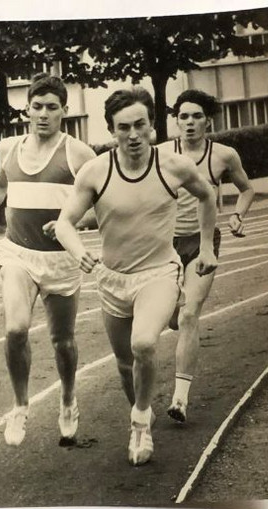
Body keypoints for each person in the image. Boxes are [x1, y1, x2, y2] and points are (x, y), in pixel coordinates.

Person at [55, 86, 217, 467]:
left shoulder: (172, 166)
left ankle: (140, 423)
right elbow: (65, 222)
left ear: (151, 127)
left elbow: (207, 195)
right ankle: (140, 408)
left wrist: (207, 246)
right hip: (112, 280)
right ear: (112, 129)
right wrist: (79, 252)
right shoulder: (96, 171)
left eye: (140, 125)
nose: (132, 135)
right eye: (123, 127)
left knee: (144, 343)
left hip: (159, 273)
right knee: (126, 362)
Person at [0, 74, 95, 447]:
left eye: (52, 107)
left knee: (62, 341)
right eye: (37, 106)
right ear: (26, 109)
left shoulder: (78, 154)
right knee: (16, 329)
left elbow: (102, 206)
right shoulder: (8, 148)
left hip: (60, 261)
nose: (44, 114)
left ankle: (67, 398)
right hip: (17, 253)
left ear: (65, 110)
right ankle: (20, 406)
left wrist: (68, 222)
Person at [156, 89, 255, 424]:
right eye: (183, 116)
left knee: (189, 316)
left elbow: (247, 189)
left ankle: (180, 400)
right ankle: (174, 312)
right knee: (170, 317)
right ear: (176, 121)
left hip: (203, 242)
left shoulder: (223, 155)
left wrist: (238, 215)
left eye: (196, 116)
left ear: (207, 120)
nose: (189, 123)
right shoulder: (161, 154)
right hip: (164, 245)